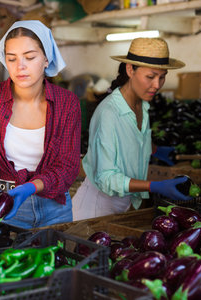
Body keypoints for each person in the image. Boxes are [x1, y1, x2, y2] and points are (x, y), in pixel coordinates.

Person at [0, 20, 81, 229]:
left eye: (30, 57)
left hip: (55, 208)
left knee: (59, 260)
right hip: (1, 206)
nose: (20, 66)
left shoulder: (67, 104)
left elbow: (67, 167)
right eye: (12, 58)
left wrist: (30, 188)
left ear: (46, 59)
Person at [72, 37, 190, 221]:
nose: (157, 85)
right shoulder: (109, 114)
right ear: (130, 70)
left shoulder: (142, 104)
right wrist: (153, 186)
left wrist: (156, 150)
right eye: (150, 77)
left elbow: (133, 137)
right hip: (94, 210)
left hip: (123, 206)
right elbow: (106, 178)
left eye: (162, 76)